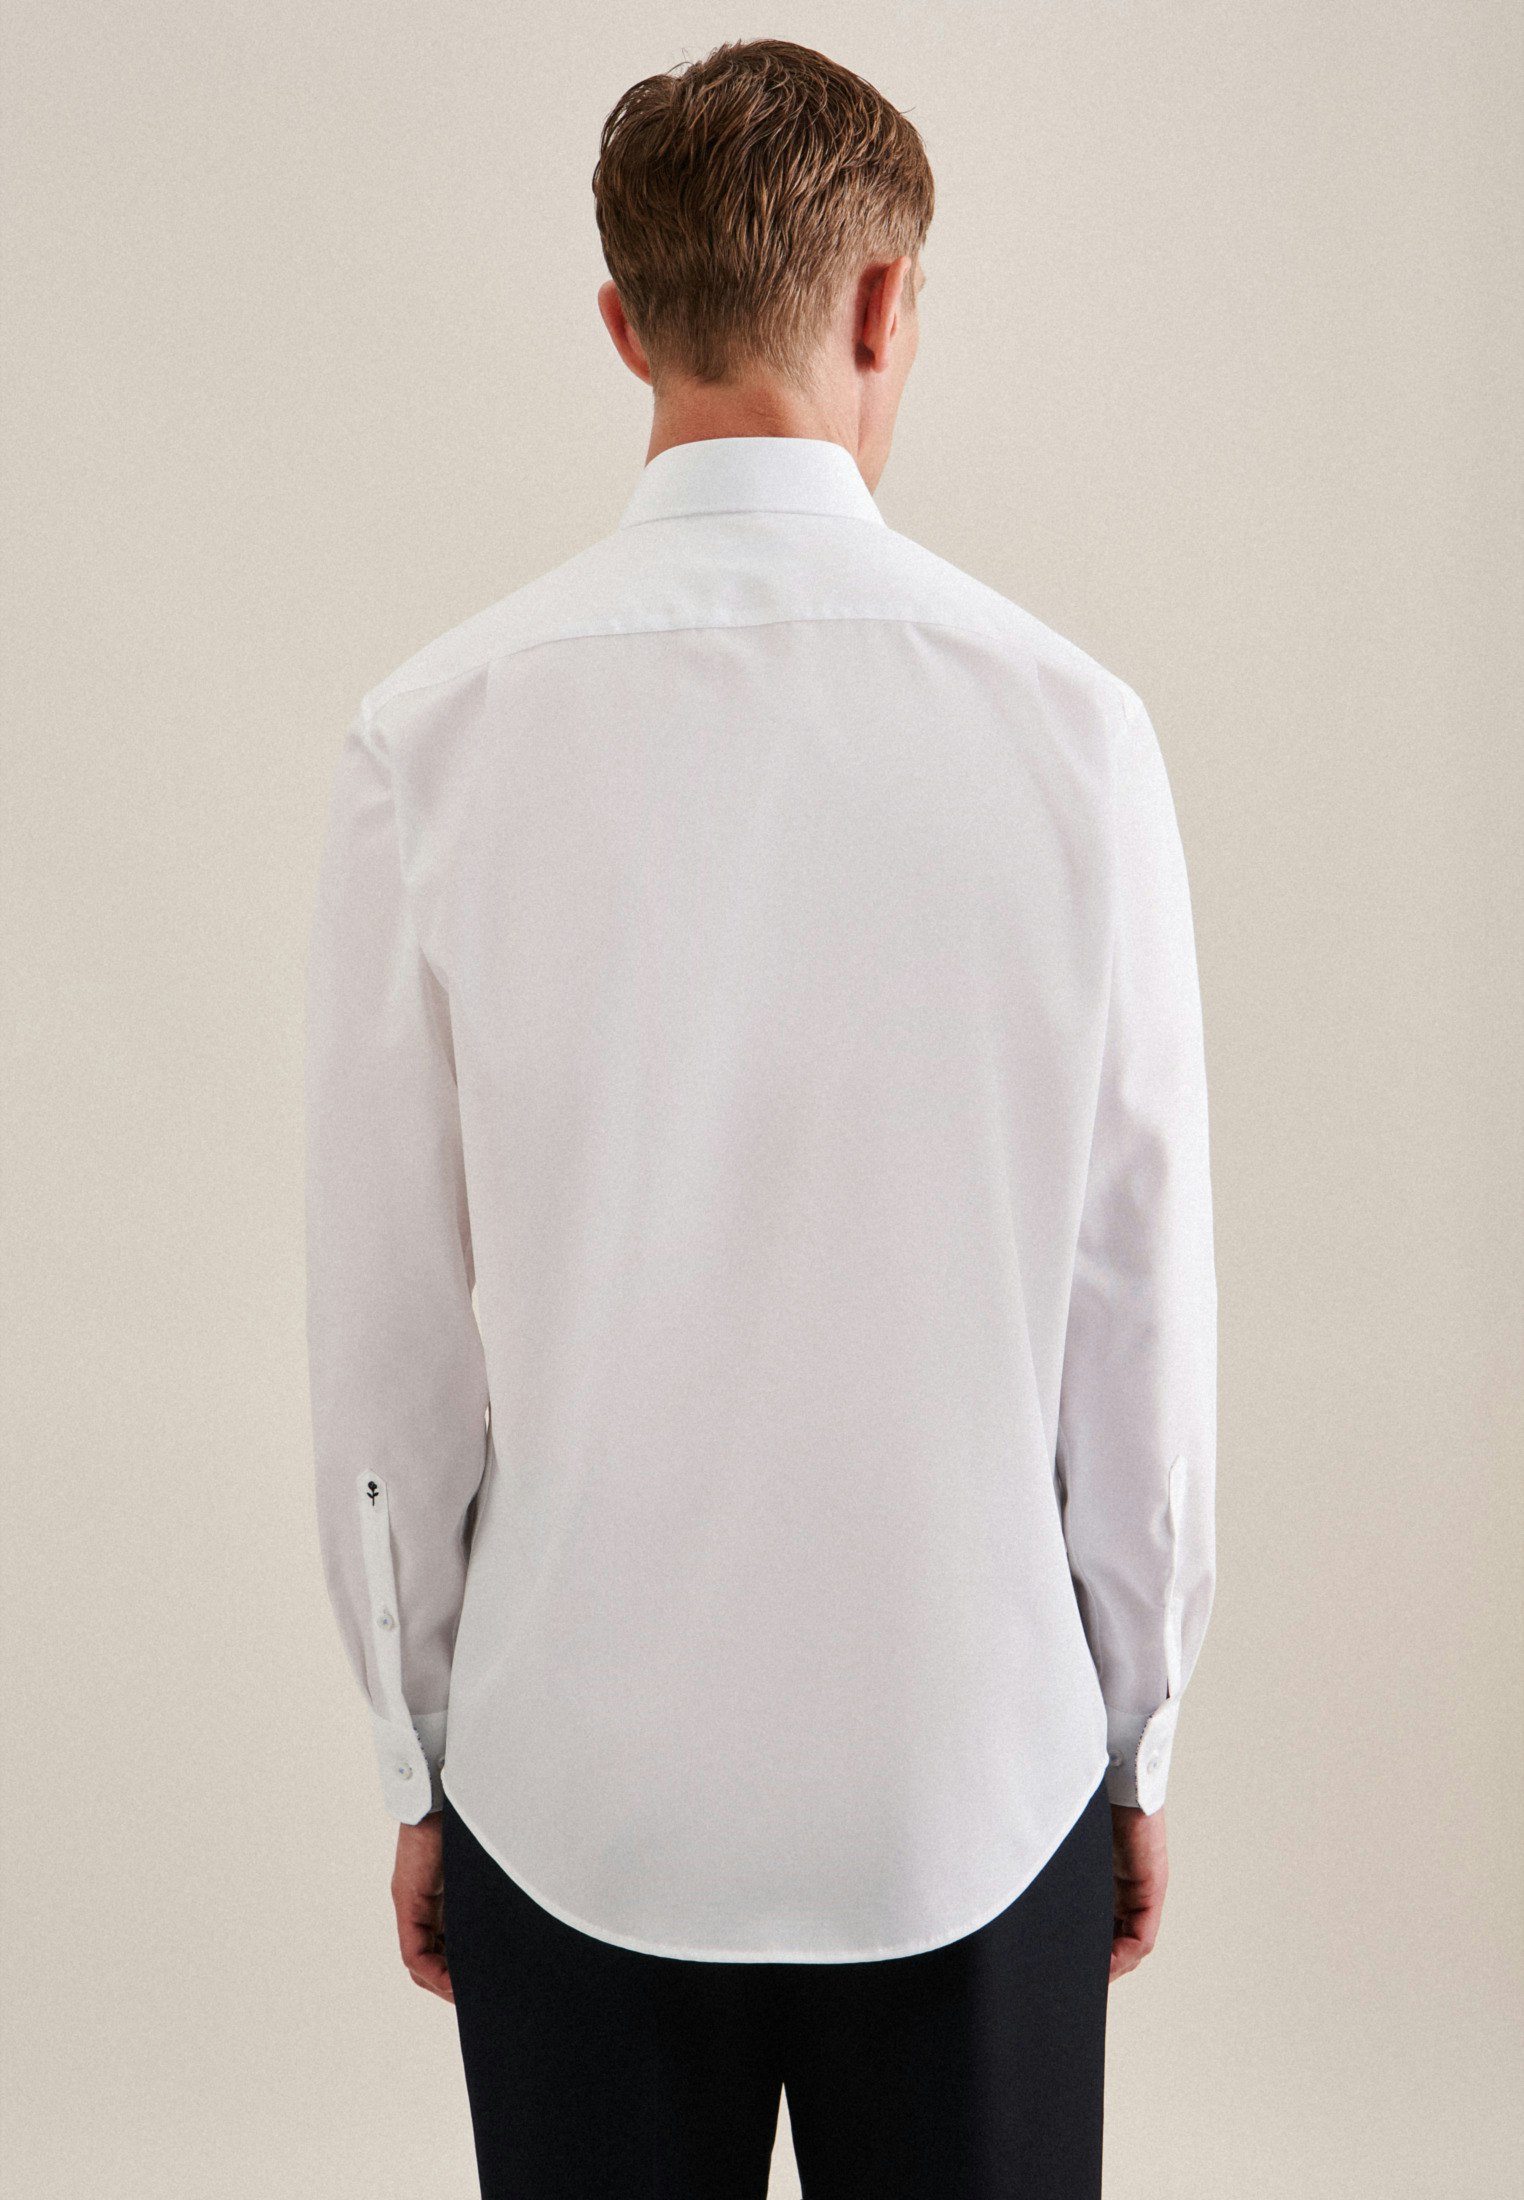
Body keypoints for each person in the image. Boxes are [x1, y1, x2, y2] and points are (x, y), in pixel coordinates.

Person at [304, 36, 1217, 2199]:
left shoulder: (434, 739)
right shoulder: (1075, 734)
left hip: (576, 1788)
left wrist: (415, 1745)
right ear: (888, 302)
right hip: (969, 1778)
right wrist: (1135, 1718)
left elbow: (388, 1339)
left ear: (622, 322)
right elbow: (1138, 1295)